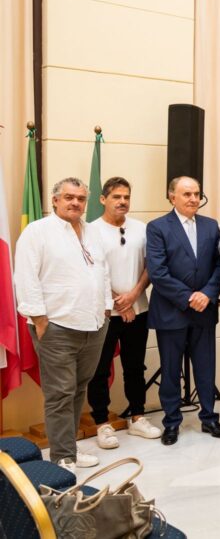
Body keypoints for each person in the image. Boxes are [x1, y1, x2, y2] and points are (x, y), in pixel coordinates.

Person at [15, 178, 112, 471]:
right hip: (56, 326)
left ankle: (69, 447)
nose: (75, 203)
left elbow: (103, 271)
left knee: (79, 389)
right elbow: (26, 276)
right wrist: (39, 317)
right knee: (60, 394)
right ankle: (62, 457)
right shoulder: (37, 232)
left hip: (94, 324)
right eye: (69, 197)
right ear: (55, 200)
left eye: (81, 198)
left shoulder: (93, 231)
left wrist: (106, 308)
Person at [146, 176, 220, 446]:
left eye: (197, 194)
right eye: (187, 194)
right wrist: (189, 297)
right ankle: (171, 422)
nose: (194, 199)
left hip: (204, 310)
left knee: (205, 367)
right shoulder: (157, 227)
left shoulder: (211, 225)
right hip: (172, 311)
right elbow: (157, 272)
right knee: (170, 371)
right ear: (172, 197)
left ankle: (209, 417)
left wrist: (207, 294)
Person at [87, 177, 161, 449]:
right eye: (116, 196)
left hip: (138, 310)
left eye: (126, 197)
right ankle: (102, 423)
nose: (122, 201)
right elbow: (93, 271)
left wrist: (133, 296)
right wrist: (120, 303)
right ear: (103, 199)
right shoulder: (90, 230)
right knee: (99, 369)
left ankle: (138, 417)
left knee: (135, 366)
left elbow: (151, 265)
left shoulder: (141, 228)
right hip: (105, 313)